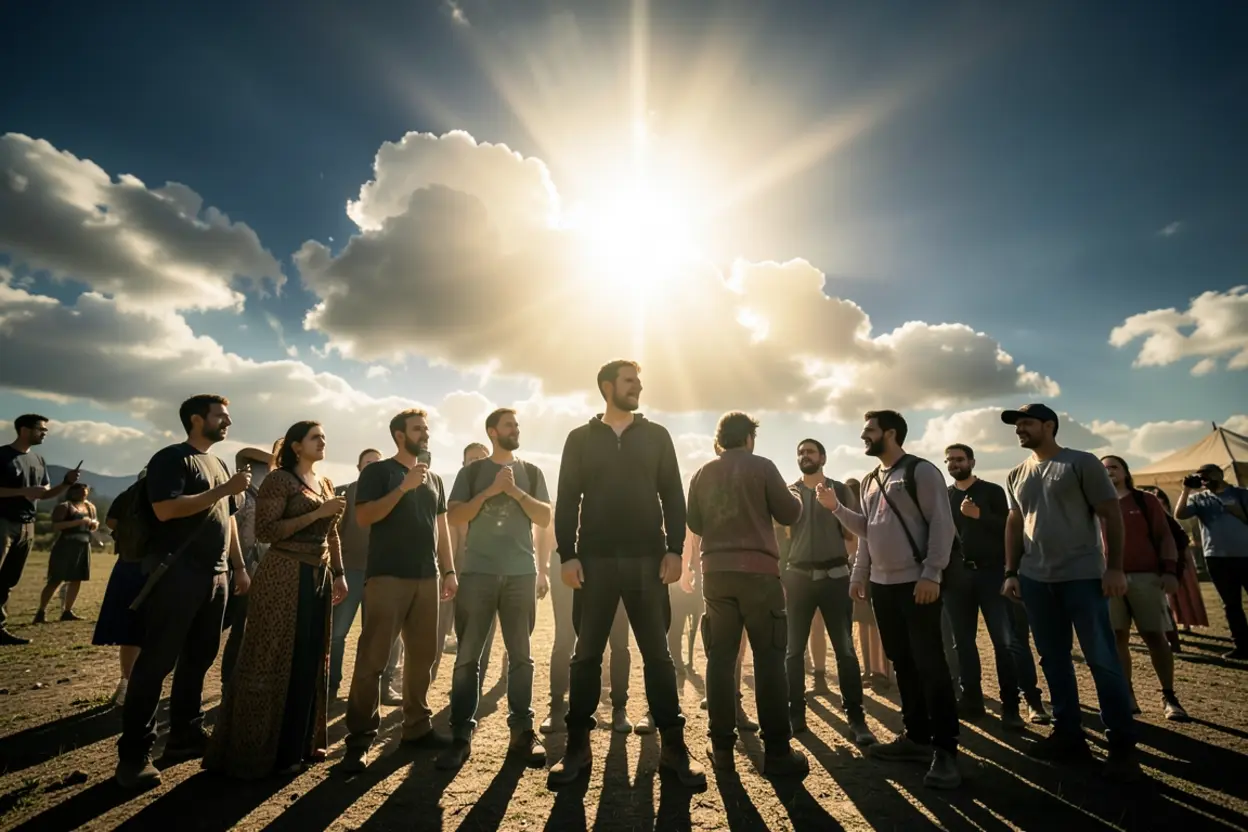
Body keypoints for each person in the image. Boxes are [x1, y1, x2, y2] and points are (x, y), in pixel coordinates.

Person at [547, 359, 704, 788]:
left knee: (658, 655)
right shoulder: (580, 438)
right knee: (586, 655)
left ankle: (674, 748)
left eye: (638, 381)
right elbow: (567, 499)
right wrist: (568, 555)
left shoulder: (657, 436)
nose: (638, 387)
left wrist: (675, 549)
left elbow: (673, 495)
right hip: (594, 561)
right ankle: (577, 748)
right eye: (629, 381)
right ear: (607, 386)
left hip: (647, 561)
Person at [115, 394, 252, 789]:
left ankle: (184, 737)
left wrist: (238, 567)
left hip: (216, 577)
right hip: (176, 575)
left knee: (199, 660)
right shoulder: (172, 458)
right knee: (156, 663)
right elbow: (166, 509)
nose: (227, 422)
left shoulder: (219, 463)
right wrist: (224, 489)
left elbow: (227, 521)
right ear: (196, 419)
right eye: (220, 416)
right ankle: (134, 756)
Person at [1000, 403, 1140, 782]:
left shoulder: (1081, 462)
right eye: (1017, 425)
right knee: (1053, 659)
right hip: (1035, 579)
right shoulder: (1015, 473)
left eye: (1026, 423)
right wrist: (1012, 571)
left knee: (1101, 658)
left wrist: (1114, 567)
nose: (1020, 429)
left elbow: (1110, 514)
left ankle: (1122, 744)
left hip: (1082, 576)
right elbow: (1015, 522)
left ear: (1049, 425)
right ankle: (1068, 735)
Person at [206, 421, 349, 778]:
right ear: (296, 446)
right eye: (315, 437)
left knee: (309, 659)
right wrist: (317, 513)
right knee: (275, 657)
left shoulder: (326, 482)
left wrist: (340, 573)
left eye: (324, 436)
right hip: (284, 574)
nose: (323, 441)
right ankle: (260, 751)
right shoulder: (279, 480)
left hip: (318, 577)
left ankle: (298, 745)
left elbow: (332, 534)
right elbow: (267, 531)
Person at [829, 410, 961, 790]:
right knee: (903, 663)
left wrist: (932, 573)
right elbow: (867, 532)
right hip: (882, 588)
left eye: (869, 430)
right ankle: (916, 737)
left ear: (890, 433)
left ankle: (946, 751)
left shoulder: (921, 471)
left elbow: (942, 524)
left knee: (930, 664)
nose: (863, 436)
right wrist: (859, 573)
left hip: (918, 584)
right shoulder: (871, 480)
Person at [688, 412, 807, 776]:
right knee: (769, 660)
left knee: (720, 659)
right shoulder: (763, 467)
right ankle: (778, 753)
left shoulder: (703, 472)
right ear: (749, 439)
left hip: (716, 574)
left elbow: (694, 522)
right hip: (759, 575)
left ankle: (722, 749)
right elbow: (790, 513)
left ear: (719, 440)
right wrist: (791, 493)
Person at [341, 408, 457, 772]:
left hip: (428, 577)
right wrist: (404, 488)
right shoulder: (378, 472)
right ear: (399, 435)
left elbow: (441, 528)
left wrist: (449, 570)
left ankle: (417, 728)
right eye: (418, 429)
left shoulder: (435, 478)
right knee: (373, 658)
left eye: (426, 428)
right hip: (387, 577)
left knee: (423, 658)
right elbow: (364, 517)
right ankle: (360, 739)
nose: (425, 434)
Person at [437, 408, 552, 770]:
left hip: (521, 575)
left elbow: (545, 517)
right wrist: (491, 491)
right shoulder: (471, 473)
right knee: (467, 658)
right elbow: (455, 516)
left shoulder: (531, 472)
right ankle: (460, 736)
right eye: (509, 425)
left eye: (517, 425)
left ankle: (522, 734)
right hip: (478, 574)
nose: (516, 429)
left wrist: (514, 491)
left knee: (521, 658)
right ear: (492, 432)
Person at [943, 444, 1049, 728]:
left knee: (1004, 642)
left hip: (992, 573)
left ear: (972, 462)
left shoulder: (991, 491)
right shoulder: (946, 496)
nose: (954, 464)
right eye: (950, 460)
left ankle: (1011, 706)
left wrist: (980, 516)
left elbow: (1010, 527)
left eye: (959, 459)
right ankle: (972, 700)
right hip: (957, 577)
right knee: (962, 643)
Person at [783, 438, 876, 746]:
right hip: (798, 578)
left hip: (836, 578)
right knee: (793, 651)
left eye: (810, 451)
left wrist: (850, 568)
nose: (804, 455)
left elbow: (854, 535)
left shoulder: (841, 490)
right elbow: (781, 539)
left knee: (845, 651)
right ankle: (795, 715)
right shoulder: (789, 492)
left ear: (822, 457)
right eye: (800, 452)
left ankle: (856, 719)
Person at [1099, 456, 1189, 721]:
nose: (1109, 471)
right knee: (1117, 637)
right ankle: (1127, 694)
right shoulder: (1094, 504)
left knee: (1155, 637)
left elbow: (1165, 536)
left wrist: (1170, 571)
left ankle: (1169, 696)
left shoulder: (1145, 500)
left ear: (1126, 472)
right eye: (1103, 469)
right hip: (1107, 580)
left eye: (1114, 467)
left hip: (1145, 578)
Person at [540, 513, 634, 735]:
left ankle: (619, 707)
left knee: (619, 637)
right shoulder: (566, 494)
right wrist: (546, 567)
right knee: (564, 636)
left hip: (611, 557)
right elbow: (551, 525)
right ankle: (557, 706)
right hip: (567, 559)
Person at [0, 414, 81, 646]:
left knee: (8, 580)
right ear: (24, 430)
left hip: (27, 525)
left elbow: (44, 494)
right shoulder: (2, 456)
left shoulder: (38, 460)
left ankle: (0, 627)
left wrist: (66, 483)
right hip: (3, 522)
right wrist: (22, 492)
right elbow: (29, 492)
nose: (44, 433)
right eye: (41, 429)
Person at [433, 442, 503, 686]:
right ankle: (426, 683)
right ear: (463, 465)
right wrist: (448, 572)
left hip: (490, 574)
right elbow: (449, 538)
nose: (476, 462)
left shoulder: (502, 497)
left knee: (481, 636)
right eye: (471, 459)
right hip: (455, 572)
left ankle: (471, 687)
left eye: (481, 458)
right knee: (437, 631)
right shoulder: (456, 497)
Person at [220, 443, 278, 690]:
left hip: (262, 570)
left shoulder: (270, 497)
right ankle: (228, 682)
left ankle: (237, 682)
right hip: (239, 569)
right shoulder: (241, 496)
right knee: (234, 627)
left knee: (249, 629)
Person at [1175, 463, 1248, 660]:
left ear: (1220, 474)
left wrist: (1238, 512)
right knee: (1231, 604)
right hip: (1216, 557)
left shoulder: (1241, 494)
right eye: (1200, 476)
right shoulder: (1199, 498)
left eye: (1207, 474)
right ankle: (1242, 646)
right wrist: (1186, 490)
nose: (1204, 479)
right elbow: (1180, 514)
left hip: (1245, 554)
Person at [329, 447, 383, 700]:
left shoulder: (389, 494)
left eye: (377, 463)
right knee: (337, 632)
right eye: (368, 462)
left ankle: (363, 690)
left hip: (379, 573)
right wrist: (337, 570)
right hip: (350, 570)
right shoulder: (349, 492)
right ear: (359, 467)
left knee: (373, 636)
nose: (372, 466)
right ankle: (331, 684)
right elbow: (335, 531)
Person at [94, 473, 148, 706]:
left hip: (129, 562)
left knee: (131, 629)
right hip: (149, 565)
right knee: (139, 629)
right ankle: (130, 684)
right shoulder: (160, 494)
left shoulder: (127, 495)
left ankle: (127, 682)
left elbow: (111, 522)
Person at [1140, 486, 1208, 643]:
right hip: (1157, 561)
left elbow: (1180, 537)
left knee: (1173, 596)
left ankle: (1175, 634)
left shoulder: (1165, 518)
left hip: (1173, 559)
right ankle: (1172, 634)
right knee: (1164, 600)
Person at [844, 478, 893, 689]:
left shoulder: (861, 515)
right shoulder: (866, 513)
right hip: (866, 572)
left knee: (870, 625)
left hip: (868, 572)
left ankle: (875, 670)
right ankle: (877, 670)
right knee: (869, 625)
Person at [34, 483, 98, 623]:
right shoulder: (64, 507)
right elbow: (57, 525)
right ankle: (41, 611)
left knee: (77, 578)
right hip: (66, 545)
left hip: (83, 545)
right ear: (72, 492)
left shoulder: (90, 507)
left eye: (84, 493)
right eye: (79, 493)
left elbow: (93, 526)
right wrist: (78, 522)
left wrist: (93, 524)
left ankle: (67, 611)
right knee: (56, 579)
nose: (82, 495)